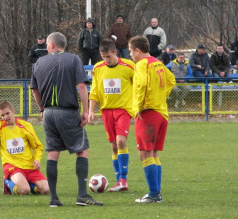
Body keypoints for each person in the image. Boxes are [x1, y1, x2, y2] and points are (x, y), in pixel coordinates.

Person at [31, 32, 103, 207]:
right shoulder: (74, 59)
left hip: (48, 113)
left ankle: (54, 199)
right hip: (67, 112)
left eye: (47, 45)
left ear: (52, 45)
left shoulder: (40, 62)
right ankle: (82, 196)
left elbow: (34, 89)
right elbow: (81, 85)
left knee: (53, 152)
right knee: (82, 150)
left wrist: (42, 109)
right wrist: (86, 111)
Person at [128, 36, 175, 203]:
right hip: (161, 112)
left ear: (137, 50)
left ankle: (154, 194)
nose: (130, 55)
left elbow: (142, 84)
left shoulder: (141, 64)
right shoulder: (157, 62)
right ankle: (156, 193)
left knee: (144, 153)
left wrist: (139, 106)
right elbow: (171, 80)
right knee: (153, 153)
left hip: (148, 113)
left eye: (131, 51)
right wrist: (161, 96)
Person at [88, 38, 135, 192]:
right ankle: (118, 181)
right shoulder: (98, 68)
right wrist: (90, 111)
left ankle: (123, 180)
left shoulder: (129, 66)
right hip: (106, 111)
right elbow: (94, 91)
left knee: (121, 142)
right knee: (114, 146)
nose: (106, 60)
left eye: (108, 56)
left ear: (115, 52)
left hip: (123, 110)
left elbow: (138, 87)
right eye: (103, 57)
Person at [0, 101, 49, 196]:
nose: (5, 117)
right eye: (2, 115)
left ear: (13, 111)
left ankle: (27, 183)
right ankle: (6, 182)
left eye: (7, 113)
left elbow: (38, 146)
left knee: (46, 190)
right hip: (12, 167)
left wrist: (37, 159)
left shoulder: (25, 126)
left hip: (29, 165)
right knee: (24, 190)